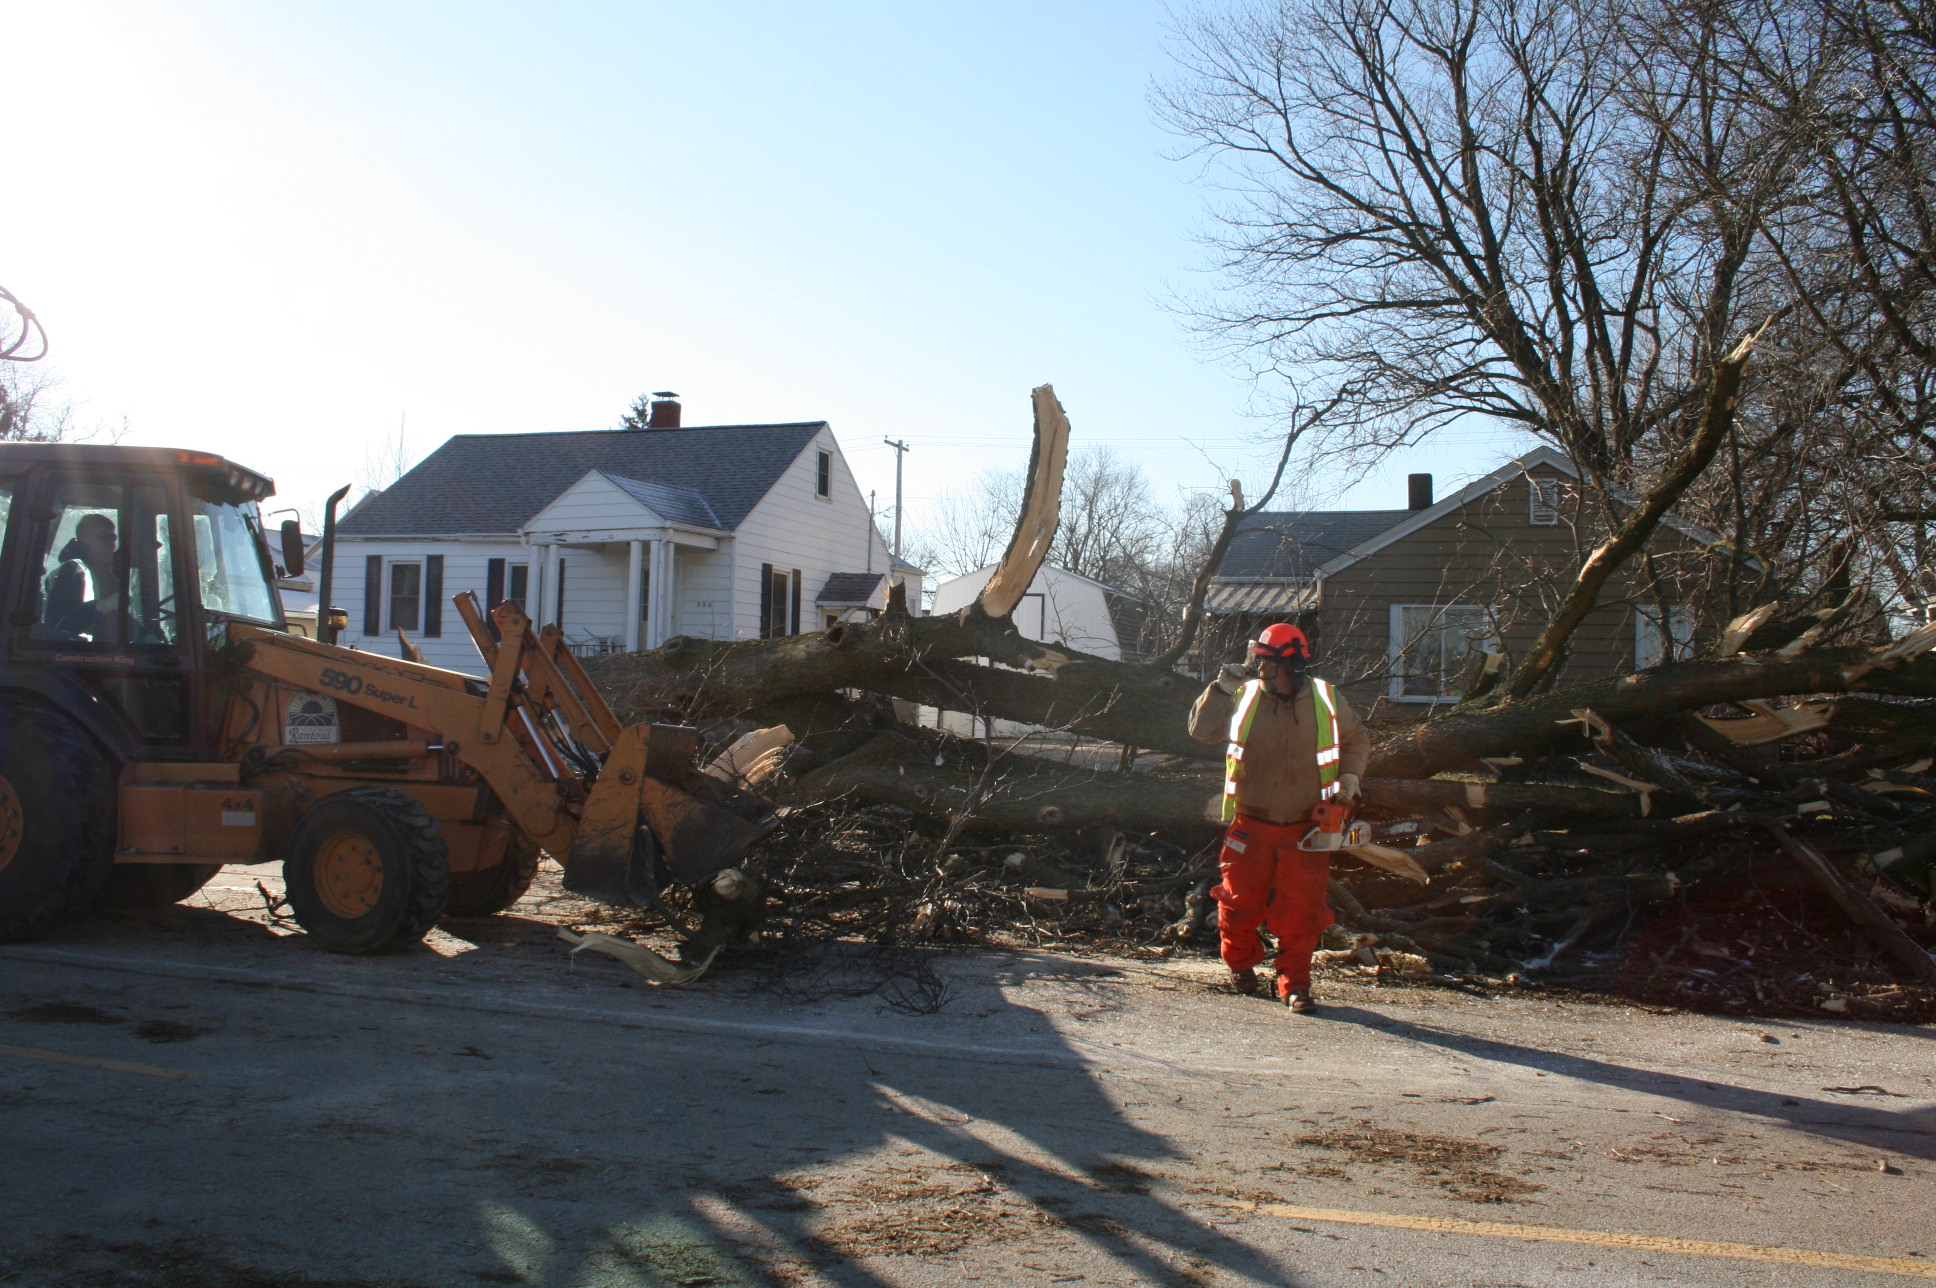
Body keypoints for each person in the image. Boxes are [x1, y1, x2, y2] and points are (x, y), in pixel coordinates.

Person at [1188, 622, 1370, 1012]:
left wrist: (1351, 775)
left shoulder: (1325, 698)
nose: (1260, 669)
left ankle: (1295, 985)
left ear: (1294, 663)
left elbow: (1356, 739)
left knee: (1301, 911)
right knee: (1237, 904)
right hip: (1251, 821)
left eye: (1268, 662)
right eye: (1259, 661)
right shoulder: (1243, 694)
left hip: (1307, 827)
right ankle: (1240, 965)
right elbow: (1201, 731)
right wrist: (1219, 690)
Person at [43, 513, 122, 642]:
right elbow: (60, 622)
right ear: (84, 538)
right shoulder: (71, 572)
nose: (110, 542)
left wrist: (143, 634)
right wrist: (100, 607)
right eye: (103, 537)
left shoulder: (109, 573)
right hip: (79, 654)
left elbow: (116, 618)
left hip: (106, 652)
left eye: (112, 537)